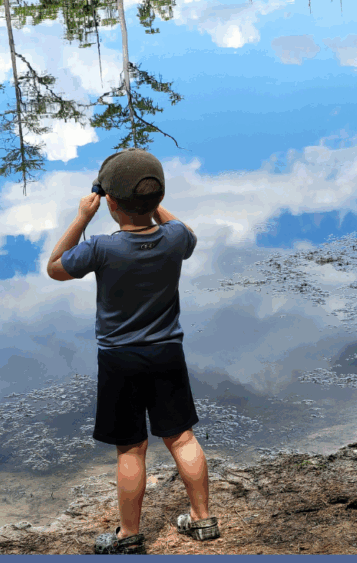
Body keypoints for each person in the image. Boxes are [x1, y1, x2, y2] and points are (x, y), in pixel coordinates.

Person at [47, 148, 219, 554]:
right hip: (167, 355)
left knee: (130, 447)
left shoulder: (101, 248)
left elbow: (55, 266)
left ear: (109, 202)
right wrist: (157, 207)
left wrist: (82, 218)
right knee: (181, 437)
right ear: (157, 200)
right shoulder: (175, 238)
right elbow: (187, 234)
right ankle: (203, 520)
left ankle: (129, 536)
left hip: (119, 360)